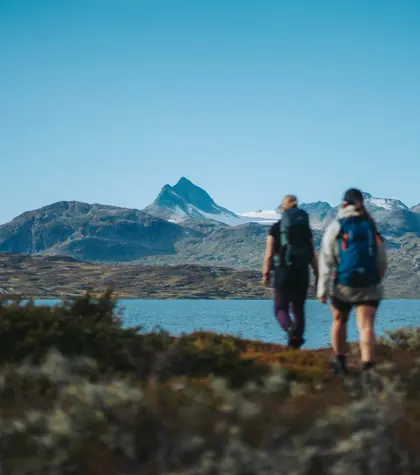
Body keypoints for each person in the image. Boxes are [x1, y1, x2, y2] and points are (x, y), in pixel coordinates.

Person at [317, 188, 388, 378]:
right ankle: (369, 370)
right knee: (366, 326)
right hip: (370, 284)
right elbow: (381, 258)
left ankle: (340, 363)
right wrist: (376, 279)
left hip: (344, 283)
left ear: (344, 204)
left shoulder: (337, 226)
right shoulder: (370, 225)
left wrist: (322, 289)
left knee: (339, 321)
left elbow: (326, 259)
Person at [262, 195, 318, 349]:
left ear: (283, 208)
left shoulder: (276, 228)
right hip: (302, 273)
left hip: (283, 272)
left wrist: (266, 273)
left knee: (280, 308)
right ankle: (296, 344)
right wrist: (317, 273)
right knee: (299, 310)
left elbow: (269, 254)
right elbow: (313, 255)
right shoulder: (305, 229)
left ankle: (290, 330)